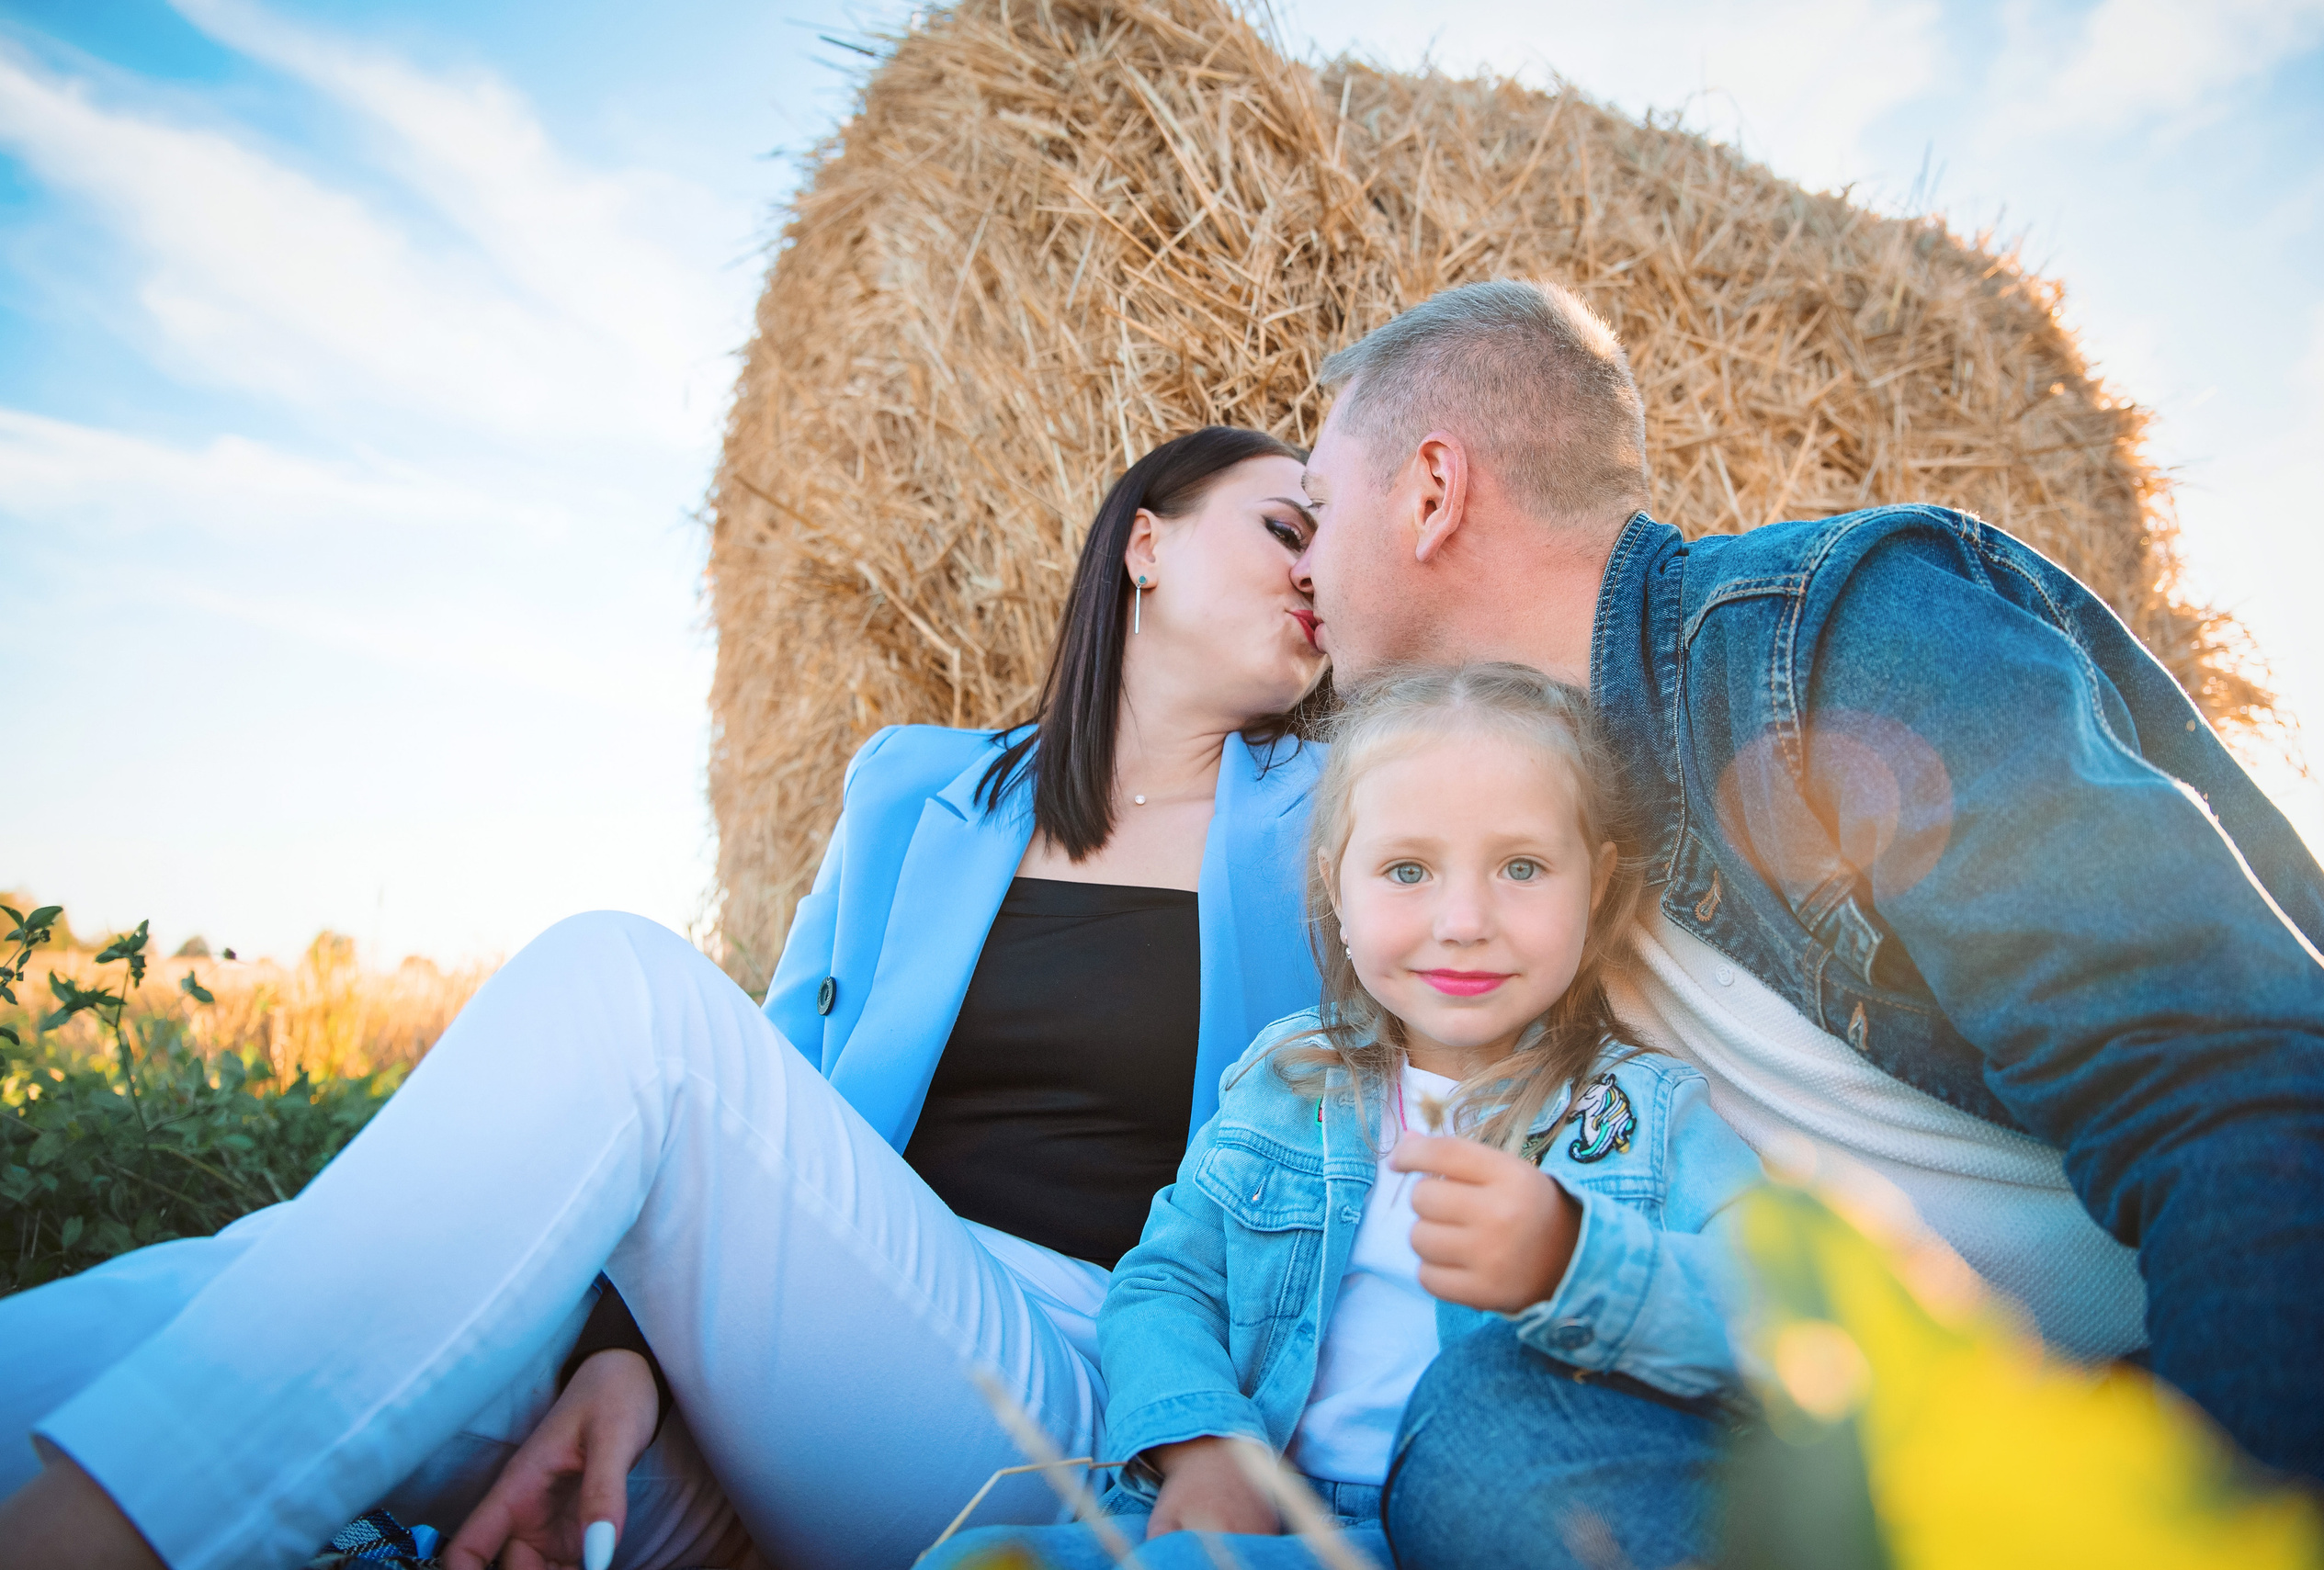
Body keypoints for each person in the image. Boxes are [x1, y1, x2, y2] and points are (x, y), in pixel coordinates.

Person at [0, 426, 1332, 1570]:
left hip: (1051, 1390)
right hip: (763, 1359)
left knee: (623, 991)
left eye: (1336, 546)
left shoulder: (1336, 823)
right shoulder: (915, 790)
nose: (1318, 568)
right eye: (1286, 526)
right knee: (259, 1282)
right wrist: (625, 1352)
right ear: (1143, 546)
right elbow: (776, 1090)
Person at [1287, 279, 2324, 1564]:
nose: (1300, 561)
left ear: (1430, 491)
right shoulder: (1515, 850)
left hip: (2187, 1386)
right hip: (1913, 1415)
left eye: (1318, 503)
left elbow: (2237, 1094)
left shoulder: (1837, 639)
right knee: (1488, 1426)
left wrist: (2222, 1524)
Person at [923, 663, 1760, 1570]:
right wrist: (1206, 1445)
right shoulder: (1288, 1080)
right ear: (1338, 887)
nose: (1464, 918)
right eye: (1407, 869)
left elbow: (1784, 1313)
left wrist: (1574, 1254)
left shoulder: (1641, 1114)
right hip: (1256, 1498)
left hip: (1470, 1528)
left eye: (1522, 866)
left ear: (1594, 888)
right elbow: (1167, 1281)